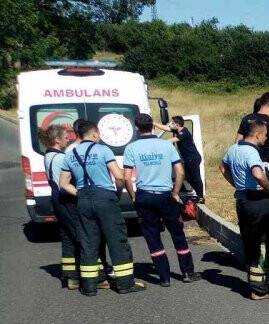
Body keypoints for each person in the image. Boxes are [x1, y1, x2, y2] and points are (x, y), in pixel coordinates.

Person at [59, 120, 144, 296]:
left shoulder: (70, 154)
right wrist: (116, 193)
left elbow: (63, 184)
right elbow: (120, 177)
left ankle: (89, 287)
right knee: (116, 240)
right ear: (95, 134)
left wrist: (80, 194)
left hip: (83, 199)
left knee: (88, 243)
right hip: (105, 198)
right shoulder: (103, 150)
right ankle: (125, 284)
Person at [124, 114, 202, 287]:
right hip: (166, 195)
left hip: (144, 195)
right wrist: (175, 192)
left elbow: (127, 177)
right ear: (153, 126)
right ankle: (187, 272)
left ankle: (164, 277)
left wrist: (134, 196)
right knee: (177, 234)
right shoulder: (166, 145)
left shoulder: (132, 148)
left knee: (152, 236)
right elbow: (180, 172)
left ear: (137, 128)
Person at [221, 122, 269, 300]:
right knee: (262, 243)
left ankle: (254, 283)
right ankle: (259, 289)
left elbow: (222, 168)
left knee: (250, 241)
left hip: (242, 199)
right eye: (265, 135)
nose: (266, 138)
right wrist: (268, 189)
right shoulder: (251, 152)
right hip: (256, 200)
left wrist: (236, 184)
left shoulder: (233, 148)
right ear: (258, 135)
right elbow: (258, 174)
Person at [236, 92, 269, 254]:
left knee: (251, 204)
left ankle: (250, 240)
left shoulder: (246, 120)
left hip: (248, 168)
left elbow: (237, 142)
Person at [39, 124, 80, 289]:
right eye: (65, 137)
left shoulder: (48, 156)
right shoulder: (62, 158)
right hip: (66, 200)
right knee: (80, 235)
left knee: (68, 237)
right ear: (57, 139)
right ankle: (89, 274)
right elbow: (66, 183)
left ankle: (70, 276)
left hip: (56, 199)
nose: (68, 139)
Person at [155, 116, 204, 202]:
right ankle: (198, 194)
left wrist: (154, 142)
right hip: (188, 159)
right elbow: (165, 128)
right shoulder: (178, 130)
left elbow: (171, 140)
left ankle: (201, 197)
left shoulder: (183, 133)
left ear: (177, 125)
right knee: (188, 177)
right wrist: (154, 123)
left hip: (192, 158)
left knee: (196, 178)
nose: (170, 124)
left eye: (172, 123)